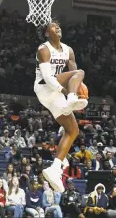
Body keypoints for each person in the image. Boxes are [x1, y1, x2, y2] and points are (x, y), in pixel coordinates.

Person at [34, 21, 88, 192]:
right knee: (80, 73)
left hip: (56, 94)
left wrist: (79, 89)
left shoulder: (68, 50)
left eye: (59, 26)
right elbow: (48, 77)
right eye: (53, 26)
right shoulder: (43, 49)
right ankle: (71, 100)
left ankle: (55, 169)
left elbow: (73, 74)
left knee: (73, 131)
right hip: (44, 87)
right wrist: (67, 92)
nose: (58, 27)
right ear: (46, 33)